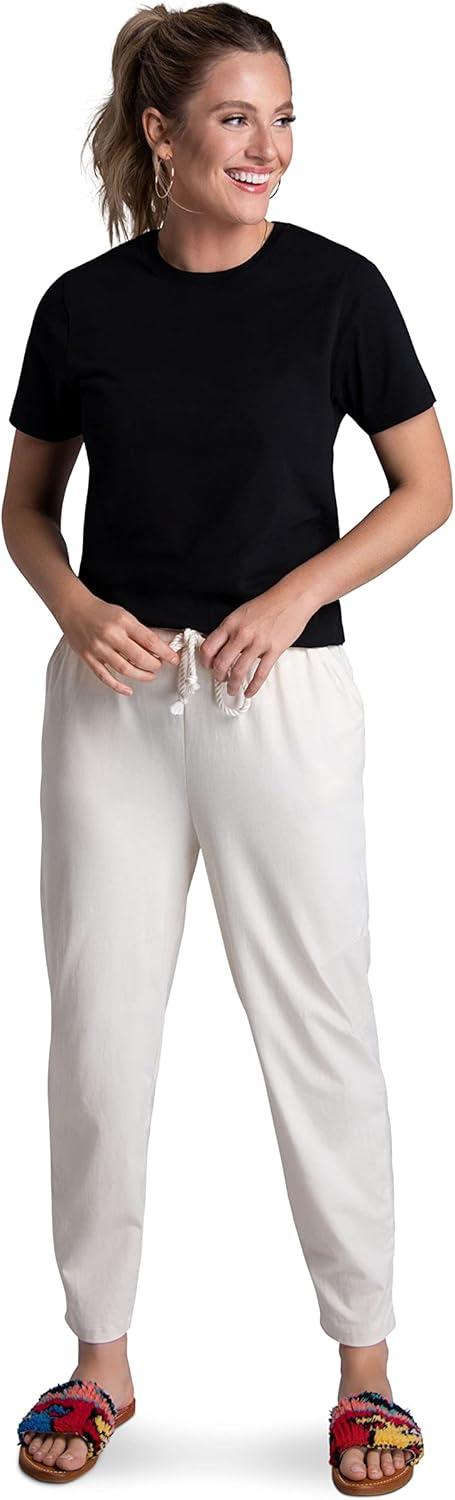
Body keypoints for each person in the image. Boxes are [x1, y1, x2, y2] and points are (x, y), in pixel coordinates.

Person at [3, 3, 451, 1490]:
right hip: (113, 706)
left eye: (285, 118)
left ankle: (366, 1367)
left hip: (285, 701)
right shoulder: (81, 308)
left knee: (321, 1023)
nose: (271, 148)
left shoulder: (339, 291)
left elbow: (426, 485)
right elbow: (25, 507)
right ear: (162, 134)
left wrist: (297, 590)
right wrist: (75, 609)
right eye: (238, 119)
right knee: (99, 1033)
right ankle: (100, 1363)